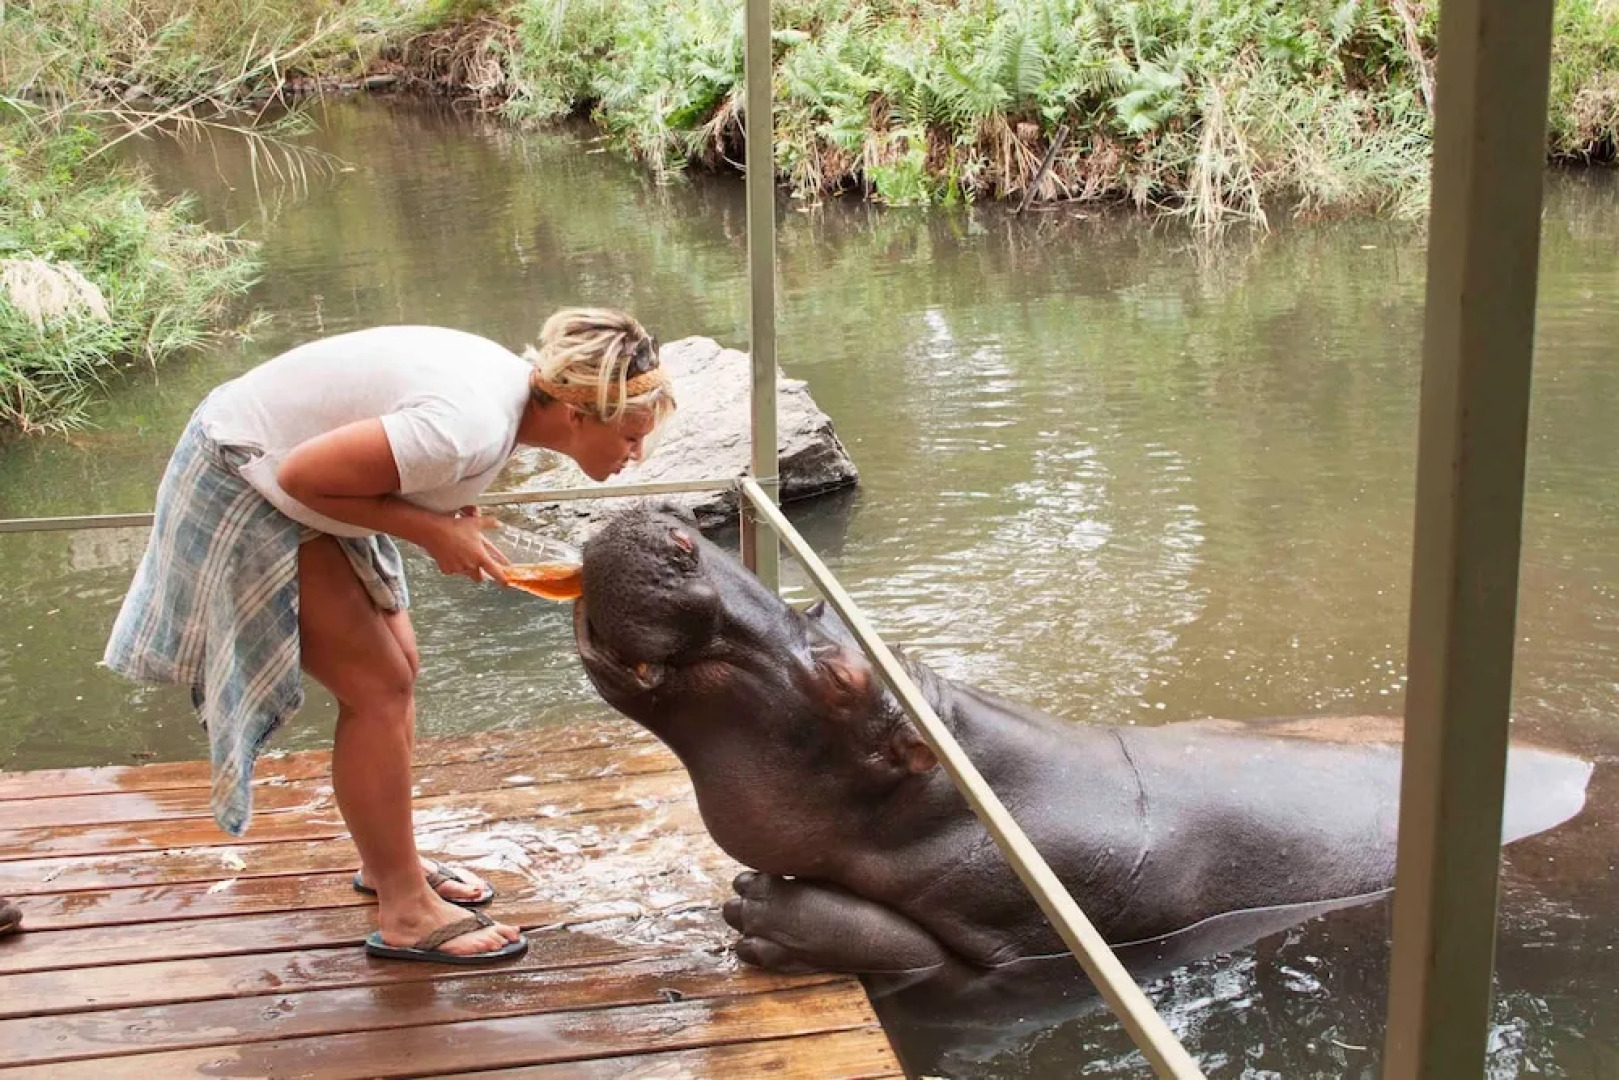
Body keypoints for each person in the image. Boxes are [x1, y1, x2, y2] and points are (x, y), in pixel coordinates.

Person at [103, 309, 675, 964]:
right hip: (245, 473)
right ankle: (404, 908)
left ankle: (388, 863)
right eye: (630, 437)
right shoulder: (469, 426)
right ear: (577, 413)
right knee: (376, 688)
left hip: (295, 472)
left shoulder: (502, 407)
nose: (636, 456)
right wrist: (432, 531)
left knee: (399, 665)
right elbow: (299, 478)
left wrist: (444, 515)